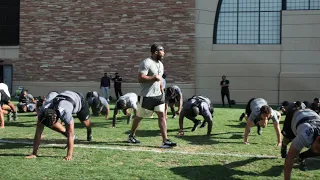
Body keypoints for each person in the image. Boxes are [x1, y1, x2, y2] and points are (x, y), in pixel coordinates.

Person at [127, 44, 177, 148]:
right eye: (162, 51)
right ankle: (131, 136)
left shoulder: (160, 64)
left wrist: (162, 88)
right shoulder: (146, 63)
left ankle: (165, 140)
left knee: (162, 116)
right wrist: (153, 77)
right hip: (146, 96)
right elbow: (140, 78)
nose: (164, 53)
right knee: (139, 117)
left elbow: (160, 79)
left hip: (158, 95)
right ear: (155, 52)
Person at [25, 90, 93, 161]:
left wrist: (69, 155)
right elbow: (38, 132)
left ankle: (89, 132)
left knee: (86, 123)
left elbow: (71, 134)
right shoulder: (43, 111)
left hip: (79, 100)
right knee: (47, 124)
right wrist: (34, 153)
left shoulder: (65, 113)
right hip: (65, 99)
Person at [283, 109, 320, 180]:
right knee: (286, 139)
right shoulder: (305, 136)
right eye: (318, 149)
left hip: (312, 116)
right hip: (295, 115)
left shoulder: (315, 141)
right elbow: (290, 158)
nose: (318, 152)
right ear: (318, 138)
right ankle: (283, 146)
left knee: (315, 151)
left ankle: (301, 157)